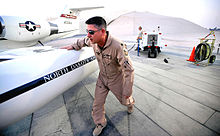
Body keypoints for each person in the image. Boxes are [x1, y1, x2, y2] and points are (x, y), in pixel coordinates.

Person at [61, 16, 135, 136]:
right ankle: (100, 123)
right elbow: (83, 41)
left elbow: (129, 70)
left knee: (124, 100)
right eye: (87, 31)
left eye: (91, 32)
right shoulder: (92, 41)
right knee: (97, 104)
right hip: (102, 78)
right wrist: (73, 46)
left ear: (102, 32)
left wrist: (128, 91)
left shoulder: (118, 46)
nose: (88, 35)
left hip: (116, 79)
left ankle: (130, 103)